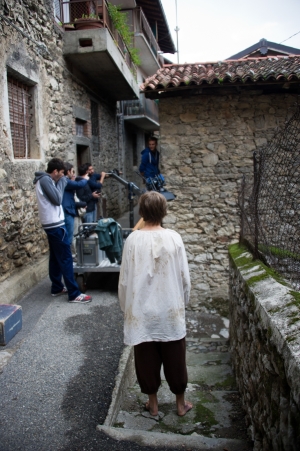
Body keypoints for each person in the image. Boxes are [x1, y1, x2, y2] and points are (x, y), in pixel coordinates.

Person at [118, 191, 192, 417]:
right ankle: (180, 404)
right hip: (169, 309)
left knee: (146, 357)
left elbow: (124, 280)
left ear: (141, 212)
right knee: (175, 357)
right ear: (163, 211)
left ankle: (153, 404)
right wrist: (182, 303)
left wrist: (126, 308)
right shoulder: (174, 238)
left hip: (141, 311)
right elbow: (184, 278)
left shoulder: (132, 240)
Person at [33, 158, 92, 304]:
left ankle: (57, 287)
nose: (63, 175)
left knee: (55, 257)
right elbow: (58, 199)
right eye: (61, 173)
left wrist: (61, 181)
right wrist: (63, 181)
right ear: (55, 171)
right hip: (55, 225)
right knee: (66, 258)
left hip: (51, 224)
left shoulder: (46, 180)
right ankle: (74, 293)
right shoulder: (46, 180)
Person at [62, 162, 88, 248]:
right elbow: (79, 185)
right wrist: (85, 178)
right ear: (68, 172)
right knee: (69, 237)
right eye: (72, 172)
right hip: (67, 211)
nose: (74, 174)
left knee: (69, 236)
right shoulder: (65, 181)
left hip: (68, 210)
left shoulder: (66, 181)